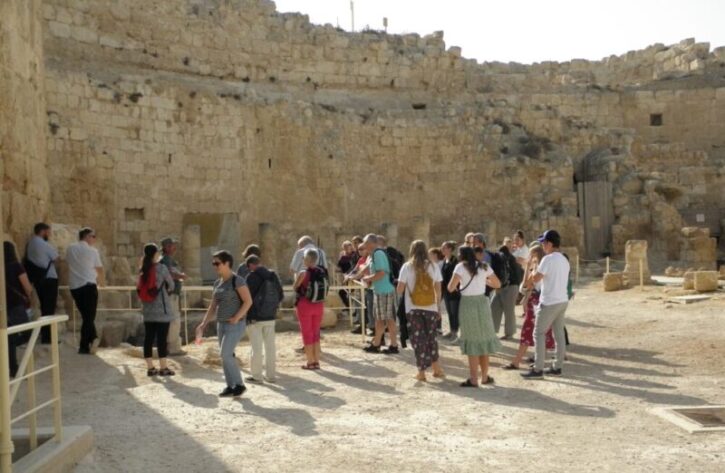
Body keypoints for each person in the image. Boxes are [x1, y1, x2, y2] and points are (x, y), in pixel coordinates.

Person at [197, 250, 253, 397]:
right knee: (226, 356)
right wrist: (203, 324)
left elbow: (248, 301)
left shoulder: (237, 280)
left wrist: (237, 317)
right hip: (221, 324)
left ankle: (239, 385)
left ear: (227, 263)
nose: (215, 266)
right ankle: (230, 386)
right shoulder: (217, 283)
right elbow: (213, 306)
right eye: (213, 263)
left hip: (236, 324)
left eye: (217, 263)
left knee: (226, 353)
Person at [447, 246, 502, 387]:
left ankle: (473, 379)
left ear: (461, 256)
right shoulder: (484, 266)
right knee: (483, 340)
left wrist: (460, 282)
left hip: (468, 305)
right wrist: (484, 281)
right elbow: (497, 283)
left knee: (472, 341)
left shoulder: (460, 267)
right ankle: (484, 377)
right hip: (482, 304)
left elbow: (450, 288)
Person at [522, 230, 570, 379]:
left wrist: (530, 269)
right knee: (559, 334)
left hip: (549, 301)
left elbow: (534, 279)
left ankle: (538, 368)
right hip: (562, 300)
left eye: (543, 242)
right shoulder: (564, 259)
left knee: (538, 333)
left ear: (549, 244)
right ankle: (557, 366)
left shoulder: (547, 259)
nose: (542, 245)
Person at [397, 240, 445, 382]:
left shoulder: (407, 266)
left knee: (418, 340)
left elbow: (400, 289)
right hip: (430, 307)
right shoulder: (434, 266)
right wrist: (437, 307)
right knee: (432, 337)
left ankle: (421, 372)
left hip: (413, 308)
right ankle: (436, 368)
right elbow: (438, 289)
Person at [502, 246, 554, 370]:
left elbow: (526, 283)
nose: (528, 258)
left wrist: (527, 267)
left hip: (537, 303)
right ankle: (538, 359)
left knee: (529, 330)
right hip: (539, 302)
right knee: (542, 331)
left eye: (531, 255)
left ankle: (517, 361)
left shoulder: (539, 269)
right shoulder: (540, 268)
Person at [138, 243, 176, 376]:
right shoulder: (162, 268)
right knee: (161, 339)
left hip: (148, 310)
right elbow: (171, 285)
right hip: (162, 310)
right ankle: (163, 367)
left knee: (148, 338)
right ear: (155, 254)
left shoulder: (143, 269)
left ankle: (150, 368)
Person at [66, 228, 104, 355]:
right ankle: (83, 346)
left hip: (75, 287)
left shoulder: (70, 248)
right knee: (89, 317)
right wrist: (102, 282)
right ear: (87, 237)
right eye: (93, 236)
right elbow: (99, 268)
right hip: (88, 286)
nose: (94, 239)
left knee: (86, 316)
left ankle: (93, 338)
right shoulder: (92, 251)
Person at [245, 255, 283, 382]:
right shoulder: (273, 275)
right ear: (259, 263)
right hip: (270, 317)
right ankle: (271, 376)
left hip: (255, 318)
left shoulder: (251, 277)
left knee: (256, 348)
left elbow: (246, 299)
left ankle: (257, 376)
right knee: (270, 347)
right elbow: (281, 295)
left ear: (250, 265)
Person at [361, 234, 399, 354]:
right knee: (379, 319)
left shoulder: (378, 254)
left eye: (365, 243)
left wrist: (368, 278)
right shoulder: (375, 254)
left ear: (372, 243)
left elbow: (381, 273)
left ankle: (393, 345)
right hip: (380, 291)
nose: (364, 246)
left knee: (389, 319)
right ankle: (377, 343)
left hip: (385, 291)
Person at [25, 223, 59, 344]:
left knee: (44, 308)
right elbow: (55, 257)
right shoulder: (43, 244)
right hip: (49, 278)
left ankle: (45, 335)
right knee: (49, 309)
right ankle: (47, 338)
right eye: (48, 232)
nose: (49, 235)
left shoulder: (30, 244)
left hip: (38, 279)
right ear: (43, 231)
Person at [4, 241, 33, 378]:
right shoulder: (16, 266)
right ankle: (13, 366)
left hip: (4, 306)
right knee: (28, 332)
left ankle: (13, 367)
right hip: (16, 305)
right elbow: (26, 286)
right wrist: (30, 297)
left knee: (9, 336)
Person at [293, 249, 326, 370]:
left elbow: (295, 286)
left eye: (304, 258)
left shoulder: (303, 273)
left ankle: (310, 362)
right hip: (319, 305)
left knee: (307, 333)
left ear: (307, 260)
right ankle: (316, 361)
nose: (303, 260)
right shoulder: (321, 271)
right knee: (316, 332)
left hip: (305, 305)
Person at [159, 237, 187, 356]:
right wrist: (180, 276)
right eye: (171, 245)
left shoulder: (168, 260)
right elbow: (169, 273)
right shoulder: (165, 260)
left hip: (171, 294)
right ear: (166, 247)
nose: (174, 248)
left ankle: (168, 346)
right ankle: (173, 348)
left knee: (171, 320)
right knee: (174, 321)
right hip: (169, 294)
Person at [490, 245, 523, 340]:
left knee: (497, 308)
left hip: (506, 286)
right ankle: (506, 333)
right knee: (505, 309)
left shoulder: (501, 258)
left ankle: (506, 333)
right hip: (511, 286)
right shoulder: (512, 259)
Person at [345, 244, 374, 335]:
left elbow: (362, 272)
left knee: (370, 309)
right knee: (360, 307)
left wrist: (353, 278)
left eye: (362, 249)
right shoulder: (361, 260)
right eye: (358, 249)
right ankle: (362, 326)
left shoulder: (370, 259)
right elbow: (355, 269)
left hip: (370, 287)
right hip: (362, 286)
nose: (360, 251)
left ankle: (373, 328)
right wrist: (349, 276)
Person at [440, 241, 460, 341]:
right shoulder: (445, 260)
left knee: (454, 312)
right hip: (446, 291)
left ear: (449, 249)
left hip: (454, 291)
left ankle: (455, 332)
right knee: (450, 312)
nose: (442, 249)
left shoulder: (455, 261)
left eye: (444, 248)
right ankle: (452, 330)